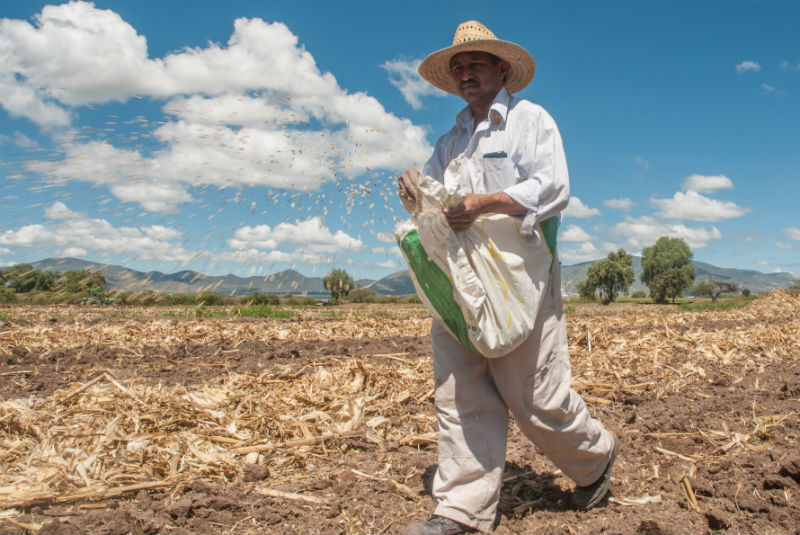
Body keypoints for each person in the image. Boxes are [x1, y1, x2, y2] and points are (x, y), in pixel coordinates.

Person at [397, 21, 619, 535]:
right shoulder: (450, 138)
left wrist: (484, 203)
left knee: (533, 394)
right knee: (459, 389)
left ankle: (594, 458)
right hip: (460, 277)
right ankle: (460, 512)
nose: (465, 73)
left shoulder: (529, 122)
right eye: (458, 68)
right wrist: (412, 187)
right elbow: (428, 198)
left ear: (502, 69)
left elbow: (553, 186)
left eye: (475, 63)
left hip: (519, 277)